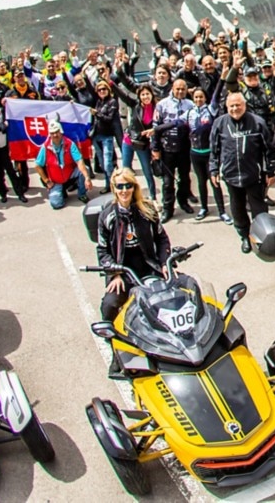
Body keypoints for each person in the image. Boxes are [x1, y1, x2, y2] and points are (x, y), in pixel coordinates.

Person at [95, 167, 170, 377]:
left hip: (148, 268)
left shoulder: (147, 210)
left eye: (129, 185)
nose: (125, 190)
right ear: (114, 188)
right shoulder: (107, 216)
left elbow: (162, 238)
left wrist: (164, 262)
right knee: (110, 305)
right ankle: (116, 353)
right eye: (120, 186)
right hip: (121, 272)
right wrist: (114, 273)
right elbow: (102, 249)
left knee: (169, 299)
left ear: (134, 187)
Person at [209, 93, 273, 253]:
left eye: (238, 105)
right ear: (227, 107)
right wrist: (214, 168)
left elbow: (269, 149)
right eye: (231, 106)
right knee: (237, 209)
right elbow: (214, 149)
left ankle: (263, 237)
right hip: (231, 176)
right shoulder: (219, 123)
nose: (235, 108)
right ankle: (245, 236)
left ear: (244, 105)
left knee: (259, 209)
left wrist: (270, 171)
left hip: (253, 176)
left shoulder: (258, 123)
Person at [151, 79, 194, 219]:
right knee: (168, 182)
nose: (180, 92)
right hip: (167, 148)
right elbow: (155, 128)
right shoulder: (161, 105)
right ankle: (168, 208)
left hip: (184, 148)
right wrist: (155, 148)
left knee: (185, 179)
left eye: (183, 89)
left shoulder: (191, 105)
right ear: (173, 89)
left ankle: (183, 202)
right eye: (178, 89)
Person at [186, 87, 226, 221]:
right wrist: (155, 130)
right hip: (195, 153)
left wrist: (223, 77)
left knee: (215, 182)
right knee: (201, 182)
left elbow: (217, 93)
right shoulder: (189, 113)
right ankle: (204, 208)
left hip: (210, 153)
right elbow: (174, 123)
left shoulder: (210, 109)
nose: (198, 99)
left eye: (201, 97)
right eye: (196, 97)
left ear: (205, 98)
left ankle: (222, 211)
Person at [35, 119, 92, 209]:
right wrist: (46, 181)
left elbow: (79, 161)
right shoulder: (45, 147)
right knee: (56, 204)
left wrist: (87, 178)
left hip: (69, 174)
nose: (55, 135)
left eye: (57, 132)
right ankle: (61, 191)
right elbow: (37, 165)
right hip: (55, 180)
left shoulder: (70, 144)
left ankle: (82, 194)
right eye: (52, 133)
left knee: (86, 170)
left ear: (61, 131)